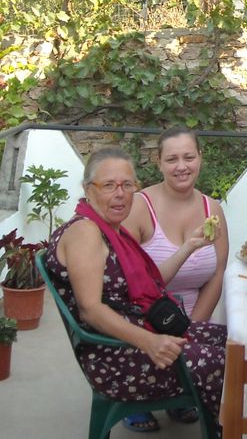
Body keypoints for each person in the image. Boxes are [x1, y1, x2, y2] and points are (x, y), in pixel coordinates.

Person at [45, 146, 226, 432]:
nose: (120, 193)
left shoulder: (111, 229)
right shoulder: (85, 233)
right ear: (87, 189)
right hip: (119, 358)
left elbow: (152, 283)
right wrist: (149, 342)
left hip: (141, 334)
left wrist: (190, 246)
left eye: (127, 185)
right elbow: (91, 310)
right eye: (108, 185)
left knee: (236, 341)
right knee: (231, 360)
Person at [121, 127, 229, 430]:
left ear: (200, 159)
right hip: (146, 324)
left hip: (192, 320)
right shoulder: (139, 207)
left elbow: (217, 273)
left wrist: (193, 325)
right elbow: (132, 284)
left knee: (237, 349)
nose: (181, 166)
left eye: (188, 157)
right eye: (172, 159)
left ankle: (183, 393)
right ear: (158, 162)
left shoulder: (213, 209)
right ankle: (140, 397)